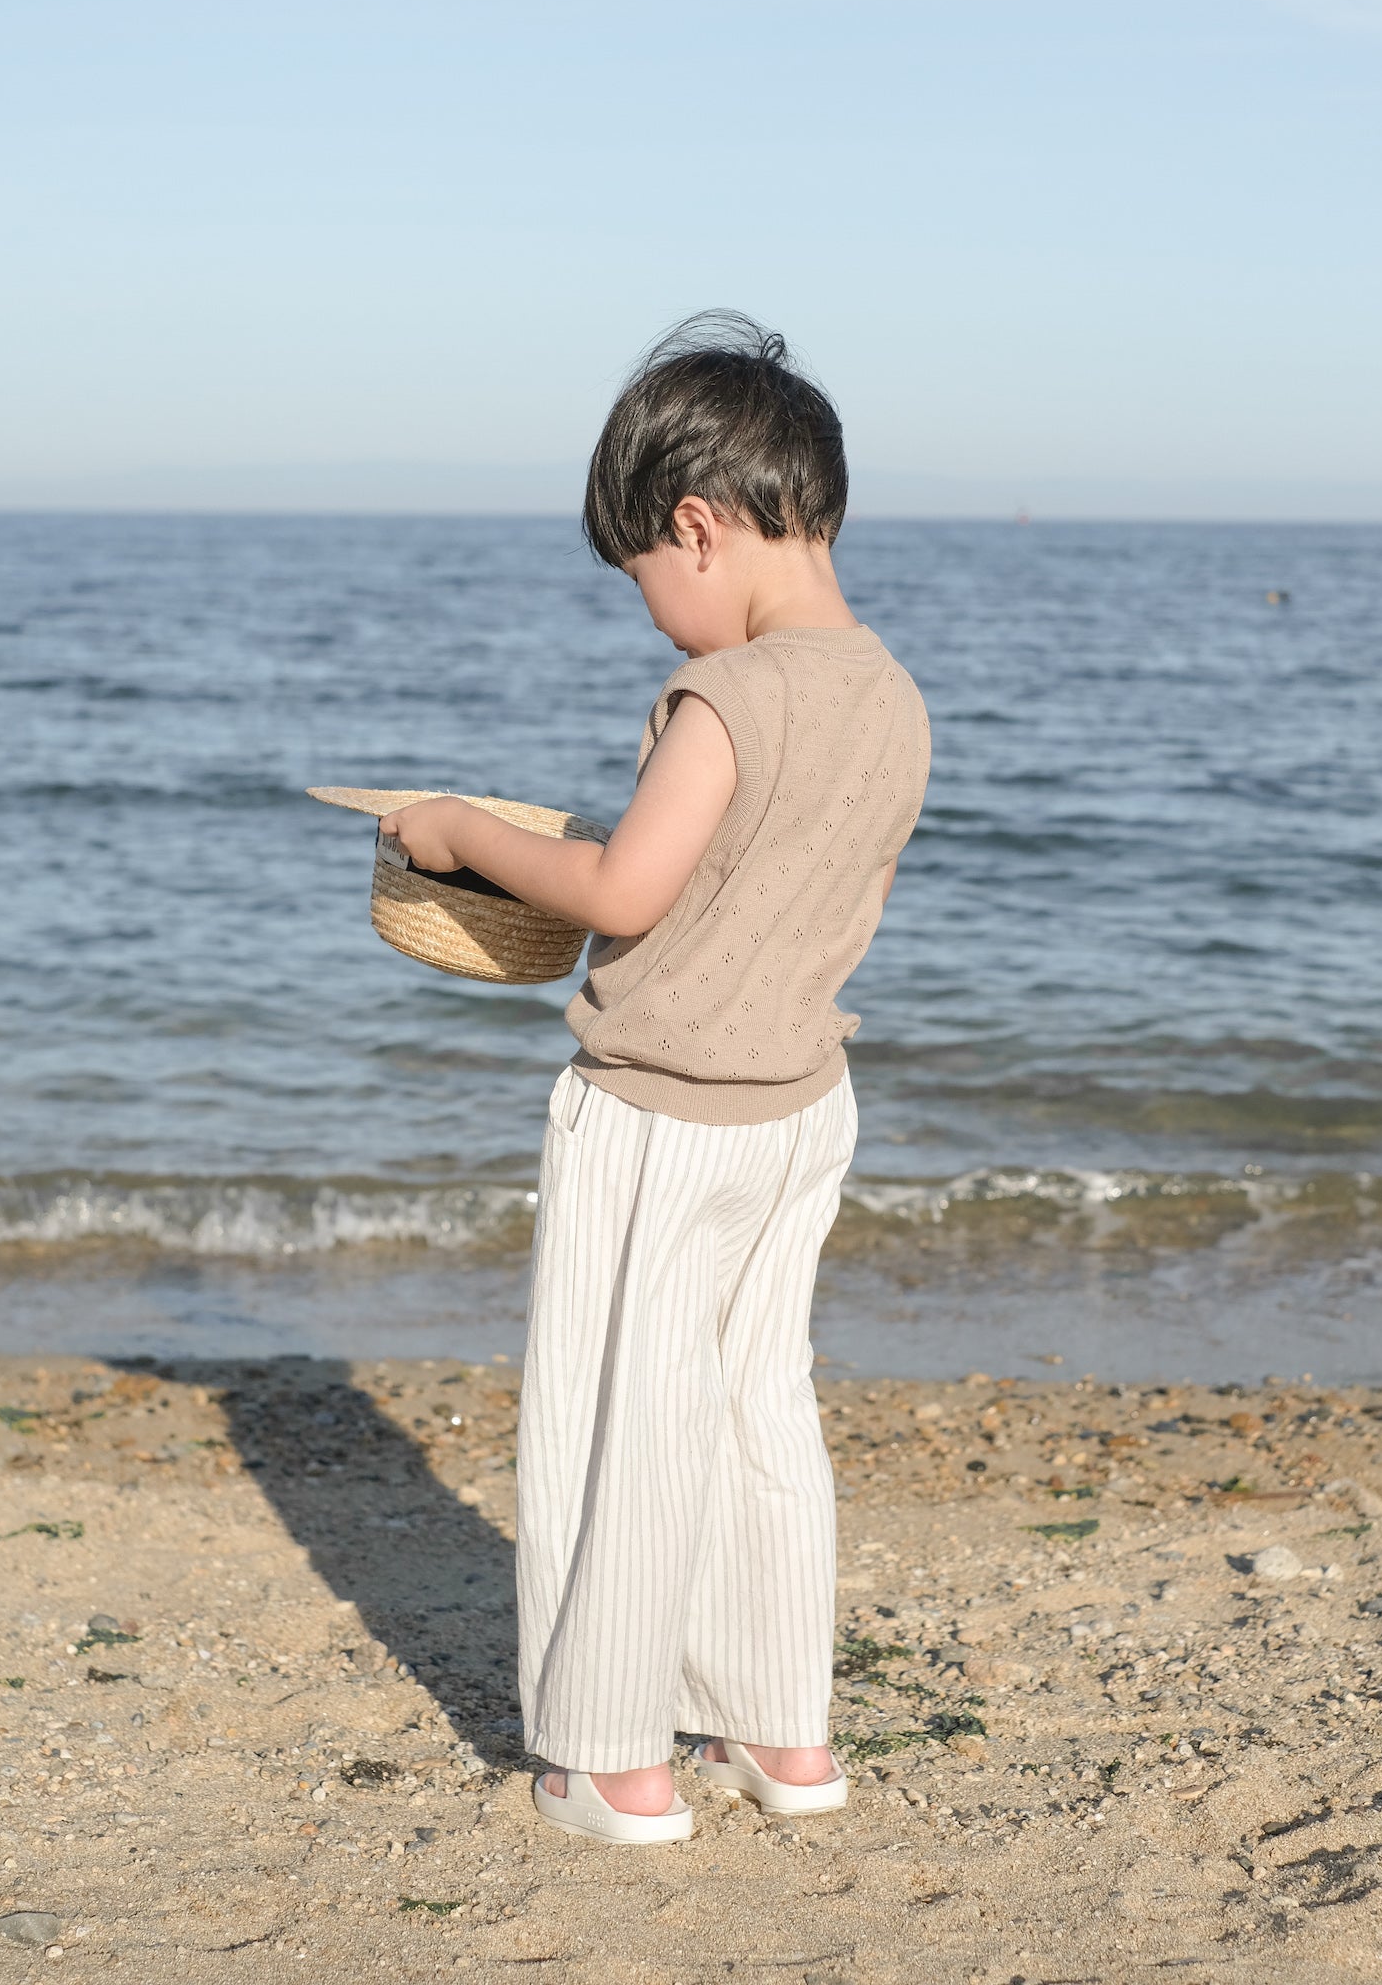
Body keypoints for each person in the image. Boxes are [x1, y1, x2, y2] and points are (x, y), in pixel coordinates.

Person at [380, 312, 932, 1845]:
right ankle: (786, 1736)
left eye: (645, 579)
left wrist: (458, 833)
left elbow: (619, 895)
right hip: (802, 1108)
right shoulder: (891, 696)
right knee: (764, 1409)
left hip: (661, 1115)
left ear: (699, 525)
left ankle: (617, 1761)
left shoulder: (726, 700)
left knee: (620, 1420)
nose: (654, 616)